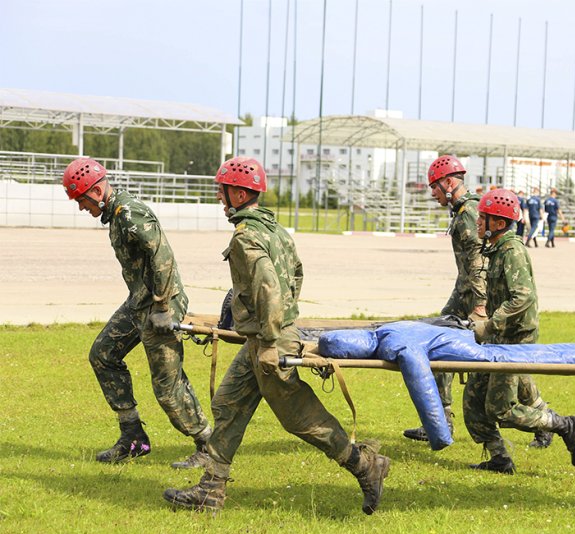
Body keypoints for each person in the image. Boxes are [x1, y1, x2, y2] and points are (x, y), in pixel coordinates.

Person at [163, 156, 389, 513]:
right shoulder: (275, 230)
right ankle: (211, 490)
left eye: (223, 192)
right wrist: (274, 325)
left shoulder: (246, 236)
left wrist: (270, 339)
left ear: (238, 193)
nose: (220, 199)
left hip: (269, 343)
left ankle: (365, 464)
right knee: (228, 402)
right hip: (265, 337)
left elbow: (268, 287)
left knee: (300, 417)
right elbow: (295, 275)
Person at [62, 158, 211, 468]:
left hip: (162, 304)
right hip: (139, 303)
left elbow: (163, 257)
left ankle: (209, 446)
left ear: (98, 190)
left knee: (167, 388)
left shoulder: (130, 214)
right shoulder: (115, 215)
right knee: (103, 353)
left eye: (81, 200)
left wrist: (162, 307)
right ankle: (133, 438)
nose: (80, 208)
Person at [464, 189, 575, 474]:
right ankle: (500, 459)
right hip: (498, 338)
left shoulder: (512, 251)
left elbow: (522, 298)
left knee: (501, 409)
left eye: (483, 218)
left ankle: (565, 425)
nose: (478, 223)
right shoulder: (495, 249)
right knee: (473, 399)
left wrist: (489, 324)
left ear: (499, 223)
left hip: (515, 339)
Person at [402, 155, 486, 443]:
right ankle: (440, 421)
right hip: (463, 292)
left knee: (506, 364)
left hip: (477, 298)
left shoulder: (468, 215)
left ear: (449, 183)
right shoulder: (463, 211)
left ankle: (546, 420)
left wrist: (480, 306)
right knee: (436, 343)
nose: (432, 193)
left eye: (435, 187)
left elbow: (476, 263)